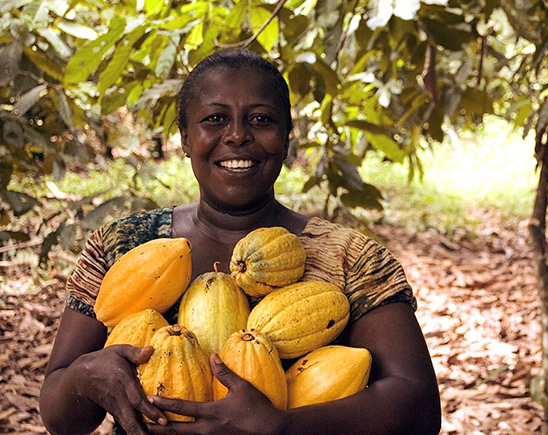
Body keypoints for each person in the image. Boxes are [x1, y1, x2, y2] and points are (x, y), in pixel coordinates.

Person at [39, 48, 442, 435]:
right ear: (184, 138)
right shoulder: (122, 245)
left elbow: (420, 407)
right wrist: (84, 377)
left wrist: (282, 428)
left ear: (286, 138)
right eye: (214, 118)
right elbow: (59, 415)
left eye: (261, 119)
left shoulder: (351, 259)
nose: (236, 136)